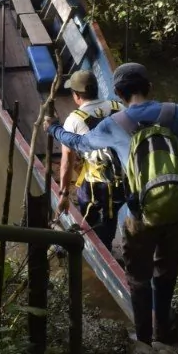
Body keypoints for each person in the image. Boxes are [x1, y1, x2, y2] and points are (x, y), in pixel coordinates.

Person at [46, 62, 178, 346]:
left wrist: (54, 129)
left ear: (119, 94)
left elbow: (79, 143)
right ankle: (163, 330)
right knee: (167, 271)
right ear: (150, 87)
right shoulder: (177, 113)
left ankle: (144, 338)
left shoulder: (114, 124)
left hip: (140, 214)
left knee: (138, 277)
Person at [57, 69, 124, 248]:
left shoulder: (74, 120)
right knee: (112, 213)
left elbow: (67, 161)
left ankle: (91, 243)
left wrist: (64, 194)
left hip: (97, 183)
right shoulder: (118, 107)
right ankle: (107, 242)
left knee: (88, 208)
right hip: (123, 178)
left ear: (77, 95)